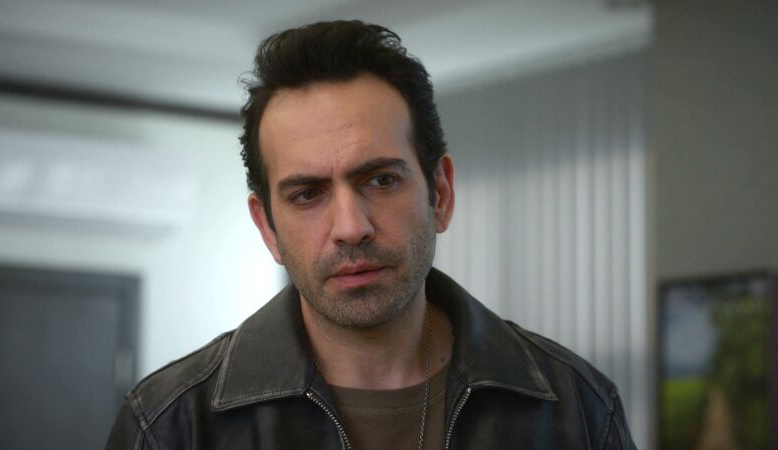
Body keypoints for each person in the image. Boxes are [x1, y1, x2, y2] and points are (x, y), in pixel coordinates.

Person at [106, 20, 636, 450]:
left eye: (380, 180)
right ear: (267, 226)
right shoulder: (172, 425)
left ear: (440, 193)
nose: (351, 227)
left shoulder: (575, 406)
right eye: (307, 194)